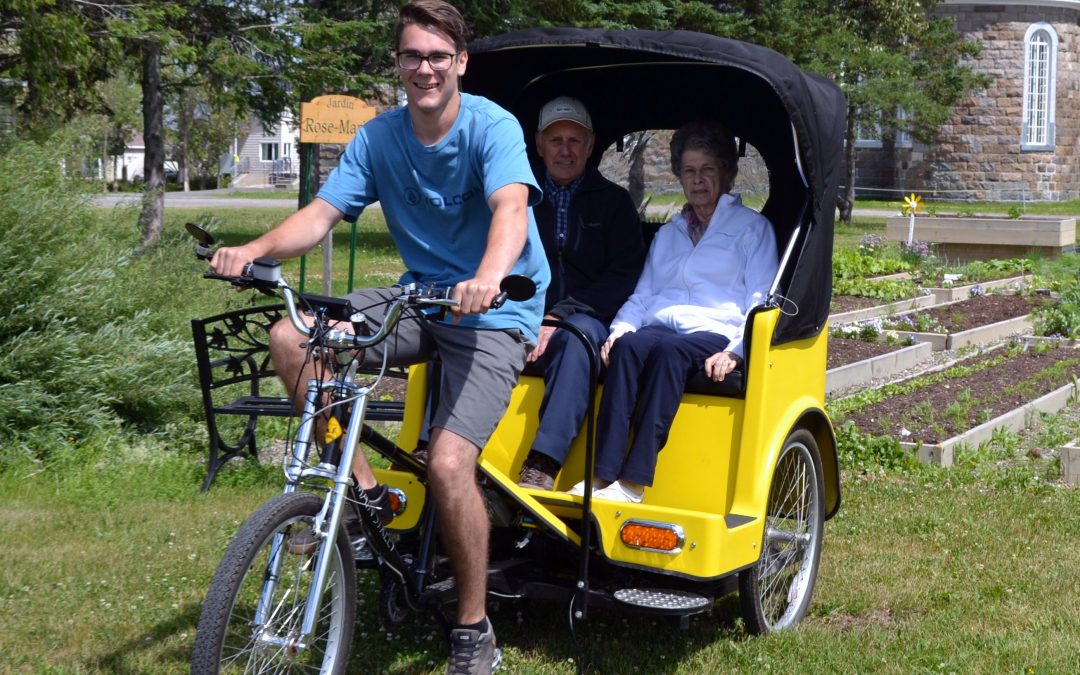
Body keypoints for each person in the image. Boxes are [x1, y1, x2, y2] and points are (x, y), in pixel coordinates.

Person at [210, 2, 549, 673]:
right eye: (412, 56)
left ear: (460, 63)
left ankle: (473, 627)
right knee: (291, 336)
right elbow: (322, 213)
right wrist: (251, 250)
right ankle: (364, 495)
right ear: (397, 64)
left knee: (451, 463)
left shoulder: (492, 127)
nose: (425, 68)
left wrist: (486, 277)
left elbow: (511, 209)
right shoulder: (380, 136)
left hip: (495, 309)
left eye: (437, 56)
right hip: (421, 297)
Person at [569, 120, 778, 504]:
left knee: (668, 353)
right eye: (689, 171)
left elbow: (760, 300)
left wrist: (736, 351)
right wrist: (620, 330)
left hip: (714, 330)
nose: (697, 180)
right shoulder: (669, 234)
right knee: (628, 348)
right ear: (680, 177)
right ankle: (601, 476)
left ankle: (633, 483)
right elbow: (644, 292)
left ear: (728, 174)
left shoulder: (752, 229)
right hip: (661, 325)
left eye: (707, 170)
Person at [515, 96, 644, 491]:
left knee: (577, 341)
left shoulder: (615, 203)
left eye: (575, 140)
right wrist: (529, 315)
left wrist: (558, 317)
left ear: (590, 147)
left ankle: (543, 462)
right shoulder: (516, 199)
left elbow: (623, 274)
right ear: (539, 145)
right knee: (462, 331)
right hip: (522, 309)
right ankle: (437, 446)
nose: (565, 150)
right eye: (556, 140)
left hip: (588, 315)